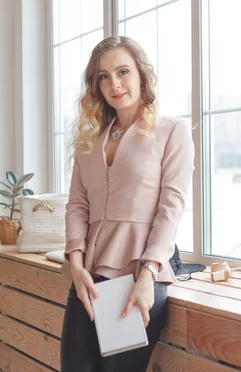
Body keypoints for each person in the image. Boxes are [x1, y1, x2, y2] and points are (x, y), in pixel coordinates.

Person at [60, 35, 194, 372]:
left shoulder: (171, 131)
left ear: (141, 76)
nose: (114, 84)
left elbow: (171, 209)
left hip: (137, 275)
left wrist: (147, 276)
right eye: (103, 76)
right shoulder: (91, 139)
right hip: (88, 277)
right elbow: (77, 205)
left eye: (123, 72)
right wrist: (76, 268)